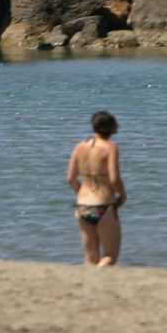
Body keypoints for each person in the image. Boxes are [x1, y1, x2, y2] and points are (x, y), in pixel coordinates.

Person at [67, 111, 124, 266]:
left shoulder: (79, 147)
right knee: (109, 256)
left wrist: (82, 192)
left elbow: (70, 178)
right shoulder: (110, 147)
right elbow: (114, 178)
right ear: (111, 128)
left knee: (90, 258)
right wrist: (123, 195)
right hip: (103, 206)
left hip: (82, 207)